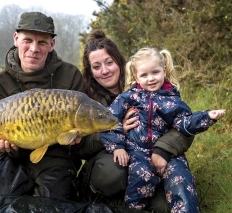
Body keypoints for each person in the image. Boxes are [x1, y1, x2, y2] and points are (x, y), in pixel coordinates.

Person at [0, 11, 104, 202]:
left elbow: (82, 133)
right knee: (0, 204)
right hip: (15, 158)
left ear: (52, 44)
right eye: (28, 40)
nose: (34, 48)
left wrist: (77, 139)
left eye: (42, 42)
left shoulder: (70, 75)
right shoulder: (1, 83)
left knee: (55, 205)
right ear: (16, 39)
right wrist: (6, 147)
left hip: (58, 157)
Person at [78, 30, 196, 213]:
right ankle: (107, 194)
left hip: (151, 159)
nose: (105, 71)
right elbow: (79, 148)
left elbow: (183, 127)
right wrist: (116, 130)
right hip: (110, 162)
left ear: (119, 61)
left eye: (109, 62)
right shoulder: (85, 100)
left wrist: (162, 150)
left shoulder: (148, 79)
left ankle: (149, 189)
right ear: (90, 72)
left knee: (164, 207)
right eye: (96, 66)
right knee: (114, 171)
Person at [100, 47, 226, 211]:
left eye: (155, 72)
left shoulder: (173, 99)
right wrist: (117, 146)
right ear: (136, 77)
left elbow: (184, 123)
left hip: (168, 153)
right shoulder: (128, 97)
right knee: (139, 178)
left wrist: (207, 116)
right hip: (138, 151)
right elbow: (109, 119)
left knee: (181, 178)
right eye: (144, 75)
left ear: (164, 71)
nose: (151, 79)